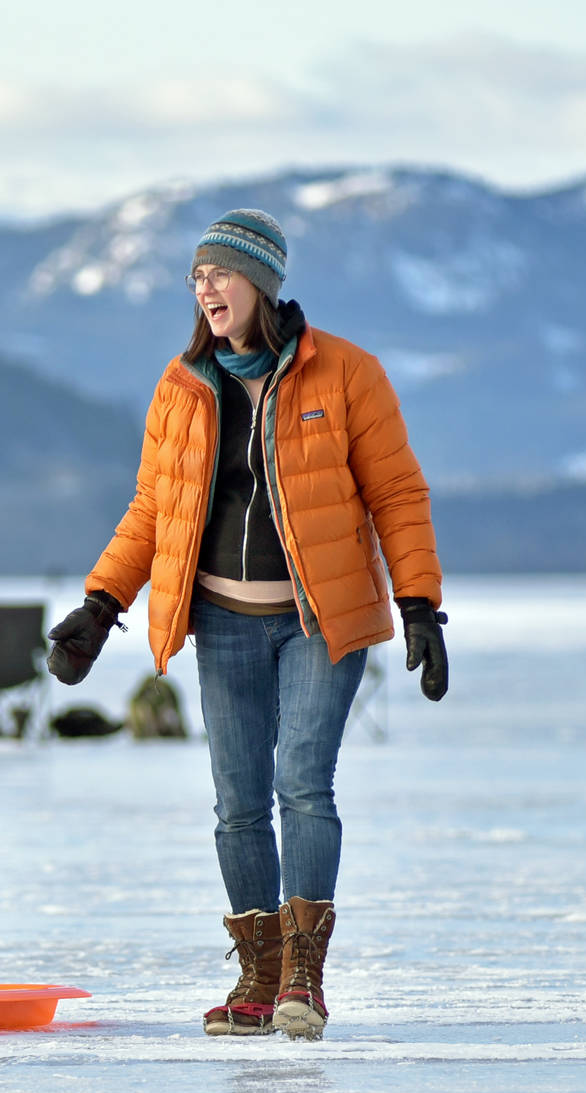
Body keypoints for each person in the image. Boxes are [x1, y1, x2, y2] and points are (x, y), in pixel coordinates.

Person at [45, 209, 447, 1040]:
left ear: (260, 282)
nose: (205, 288)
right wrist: (100, 605)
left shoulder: (346, 374)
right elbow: (155, 507)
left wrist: (419, 605)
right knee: (236, 802)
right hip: (223, 620)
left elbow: (397, 494)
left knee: (301, 780)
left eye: (219, 273)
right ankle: (259, 974)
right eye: (197, 276)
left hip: (318, 620)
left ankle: (305, 971)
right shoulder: (183, 384)